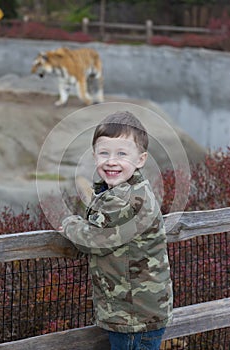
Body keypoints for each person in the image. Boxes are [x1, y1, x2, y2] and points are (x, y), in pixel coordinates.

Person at [61, 110, 173, 350]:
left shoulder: (122, 201)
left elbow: (93, 240)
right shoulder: (136, 189)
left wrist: (70, 224)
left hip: (133, 315)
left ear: (140, 159)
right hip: (142, 310)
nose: (111, 160)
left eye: (122, 154)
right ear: (94, 156)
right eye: (104, 153)